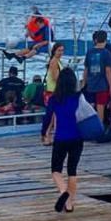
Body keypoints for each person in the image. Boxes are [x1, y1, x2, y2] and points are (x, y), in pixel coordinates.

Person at [39, 66, 83, 213]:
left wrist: (44, 132)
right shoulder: (79, 97)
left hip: (61, 137)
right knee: (72, 170)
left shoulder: (55, 99)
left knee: (56, 170)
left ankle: (64, 191)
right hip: (78, 137)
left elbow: (47, 118)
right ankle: (69, 204)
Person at [82, 30, 111, 123]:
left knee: (90, 108)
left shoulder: (89, 52)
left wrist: (84, 83)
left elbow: (86, 69)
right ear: (105, 40)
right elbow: (108, 72)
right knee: (101, 107)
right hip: (102, 85)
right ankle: (100, 128)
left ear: (96, 40)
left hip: (91, 84)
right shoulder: (107, 53)